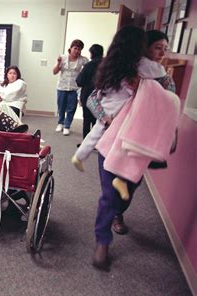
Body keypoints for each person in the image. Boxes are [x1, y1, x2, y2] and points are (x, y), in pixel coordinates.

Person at [76, 26, 162, 271]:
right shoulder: (110, 70)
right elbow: (92, 99)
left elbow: (168, 99)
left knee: (127, 192)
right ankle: (102, 242)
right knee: (108, 194)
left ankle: (118, 212)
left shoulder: (155, 74)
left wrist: (147, 89)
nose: (159, 53)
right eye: (156, 47)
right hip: (110, 140)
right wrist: (106, 119)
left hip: (138, 142)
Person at [53, 39, 89, 136]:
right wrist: (58, 63)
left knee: (71, 108)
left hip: (74, 87)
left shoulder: (83, 60)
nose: (77, 51)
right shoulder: (62, 58)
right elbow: (54, 72)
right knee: (61, 106)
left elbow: (88, 70)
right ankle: (60, 123)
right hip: (62, 86)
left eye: (79, 49)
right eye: (75, 48)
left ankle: (67, 126)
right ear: (71, 48)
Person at [75, 44, 103, 142]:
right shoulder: (107, 65)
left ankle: (86, 142)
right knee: (99, 120)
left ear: (92, 54)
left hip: (88, 95)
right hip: (102, 96)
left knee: (87, 119)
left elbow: (79, 82)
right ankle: (97, 142)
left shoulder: (89, 65)